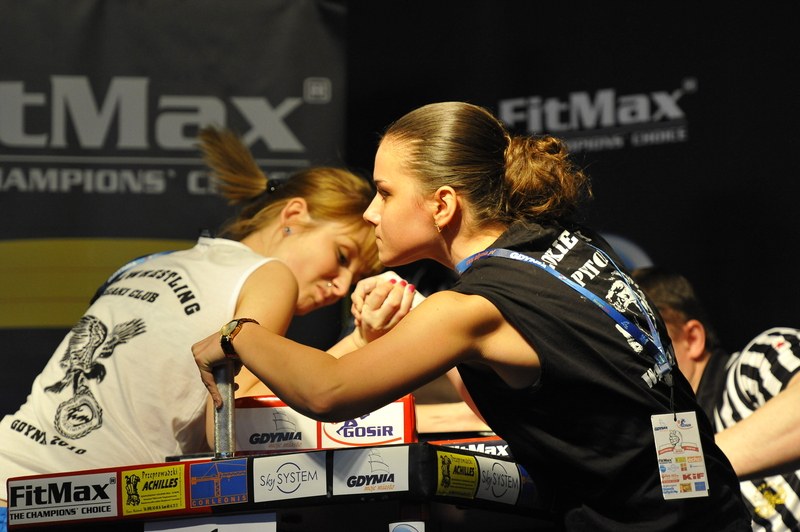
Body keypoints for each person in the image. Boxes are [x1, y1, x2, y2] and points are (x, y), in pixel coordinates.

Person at [193, 101, 751, 530]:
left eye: (385, 193)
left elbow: (328, 391)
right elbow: (541, 391)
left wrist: (238, 334)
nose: (371, 213)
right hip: (703, 504)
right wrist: (413, 320)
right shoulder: (562, 243)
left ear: (442, 205)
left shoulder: (476, 307)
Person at [0, 126, 384, 519]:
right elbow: (234, 425)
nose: (341, 286)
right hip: (67, 507)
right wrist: (356, 345)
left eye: (354, 277)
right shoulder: (271, 274)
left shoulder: (149, 264)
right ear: (294, 215)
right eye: (341, 256)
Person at [633, 266, 800, 531]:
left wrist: (682, 466)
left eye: (643, 346)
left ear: (692, 339)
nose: (634, 364)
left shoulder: (754, 365)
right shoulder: (664, 434)